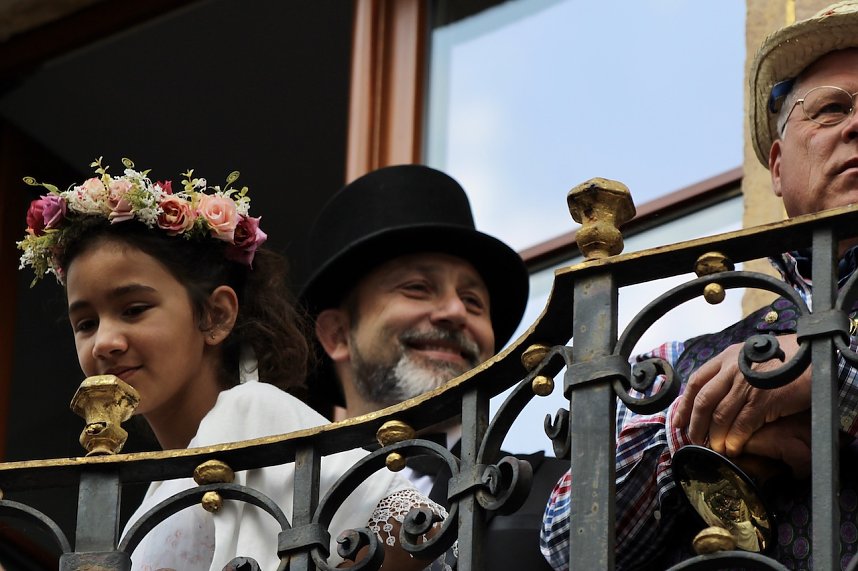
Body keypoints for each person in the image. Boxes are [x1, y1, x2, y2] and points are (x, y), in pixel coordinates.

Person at [540, 1, 858, 569]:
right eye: (831, 110)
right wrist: (692, 430)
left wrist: (829, 374)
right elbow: (564, 543)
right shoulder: (676, 367)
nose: (856, 125)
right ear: (778, 167)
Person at [17, 158, 448, 570]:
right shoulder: (152, 496)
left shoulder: (255, 410)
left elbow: (419, 533)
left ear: (216, 315)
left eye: (134, 309)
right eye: (86, 323)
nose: (105, 343)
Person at [298, 163, 568, 570]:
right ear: (337, 334)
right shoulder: (278, 511)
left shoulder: (559, 492)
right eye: (418, 288)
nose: (456, 312)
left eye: (473, 301)